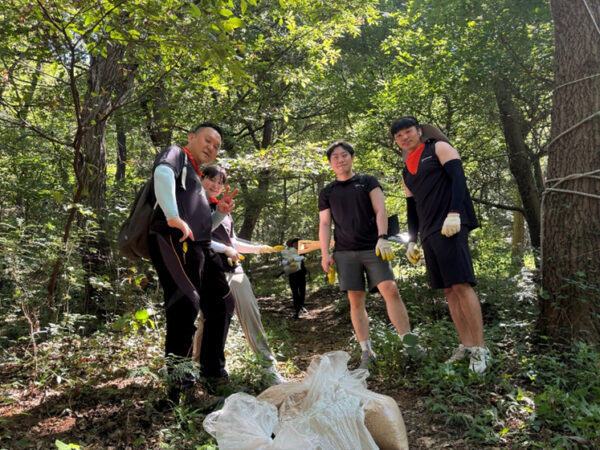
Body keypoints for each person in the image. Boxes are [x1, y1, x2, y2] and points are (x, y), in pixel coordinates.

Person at [390, 115, 491, 374]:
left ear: (419, 131)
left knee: (461, 283)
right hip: (430, 231)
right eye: (399, 135)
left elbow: (459, 180)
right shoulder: (406, 170)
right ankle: (466, 345)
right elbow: (412, 207)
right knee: (448, 289)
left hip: (452, 224)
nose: (404, 137)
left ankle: (481, 350)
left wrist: (455, 212)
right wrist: (412, 240)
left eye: (408, 131)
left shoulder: (439, 148)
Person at [148, 123, 238, 404]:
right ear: (191, 138)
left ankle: (212, 372)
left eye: (216, 146)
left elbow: (203, 226)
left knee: (222, 302)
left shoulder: (197, 177)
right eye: (207, 141)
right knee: (185, 304)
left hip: (198, 247)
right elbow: (161, 173)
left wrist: (219, 214)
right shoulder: (176, 154)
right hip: (171, 238)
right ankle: (182, 389)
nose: (211, 147)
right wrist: (173, 215)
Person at [318, 141, 422, 370]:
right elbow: (325, 224)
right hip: (345, 252)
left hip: (373, 247)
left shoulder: (367, 182)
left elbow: (380, 210)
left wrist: (382, 236)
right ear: (330, 163)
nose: (340, 160)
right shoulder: (328, 192)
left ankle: (410, 343)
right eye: (335, 157)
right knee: (356, 300)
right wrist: (325, 254)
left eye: (344, 155)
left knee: (391, 290)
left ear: (352, 157)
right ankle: (367, 351)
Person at [200, 166, 286, 385]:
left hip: (234, 270)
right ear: (201, 178)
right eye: (212, 180)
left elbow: (232, 241)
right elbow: (199, 238)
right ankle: (197, 368)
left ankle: (267, 368)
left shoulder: (224, 209)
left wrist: (259, 248)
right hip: (210, 270)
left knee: (251, 315)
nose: (216, 186)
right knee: (208, 322)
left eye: (220, 182)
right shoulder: (194, 204)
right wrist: (225, 249)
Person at [281, 238, 308, 319]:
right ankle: (297, 310)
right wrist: (287, 262)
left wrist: (293, 259)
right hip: (292, 274)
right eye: (295, 244)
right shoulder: (288, 252)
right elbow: (283, 261)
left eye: (297, 244)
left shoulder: (301, 251)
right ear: (292, 244)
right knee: (295, 292)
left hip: (301, 273)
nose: (296, 245)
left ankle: (301, 306)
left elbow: (302, 258)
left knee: (302, 290)